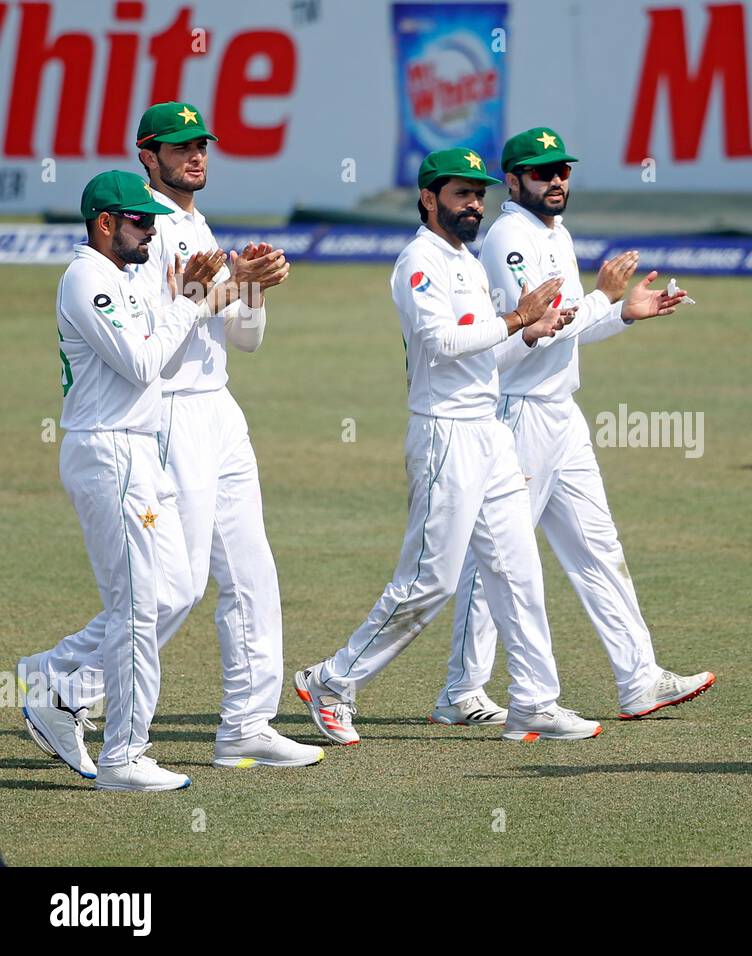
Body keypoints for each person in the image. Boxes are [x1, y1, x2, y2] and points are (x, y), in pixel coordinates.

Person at [17, 102, 317, 773]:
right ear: (147, 155)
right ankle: (63, 683)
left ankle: (246, 722)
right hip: (170, 416)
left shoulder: (198, 223)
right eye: (181, 147)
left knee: (251, 570)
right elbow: (151, 350)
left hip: (221, 409)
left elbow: (245, 338)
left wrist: (252, 287)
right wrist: (212, 292)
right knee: (170, 587)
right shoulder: (137, 230)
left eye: (201, 145)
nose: (196, 156)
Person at [294, 147, 602, 743]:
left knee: (518, 569)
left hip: (489, 431)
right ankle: (333, 679)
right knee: (429, 581)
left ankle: (536, 701)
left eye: (478, 194)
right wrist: (516, 319)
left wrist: (533, 330)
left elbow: (488, 344)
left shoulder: (468, 260)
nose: (473, 205)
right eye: (461, 194)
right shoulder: (419, 259)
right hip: (443, 434)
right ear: (429, 198)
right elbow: (440, 341)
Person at [430, 127, 714, 728]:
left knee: (597, 546)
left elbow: (569, 328)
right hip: (519, 411)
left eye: (562, 170)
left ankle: (639, 678)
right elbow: (526, 334)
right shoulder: (509, 238)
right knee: (501, 556)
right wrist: (602, 299)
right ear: (513, 181)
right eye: (541, 172)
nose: (555, 180)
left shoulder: (554, 234)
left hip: (562, 411)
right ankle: (462, 689)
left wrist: (622, 313)